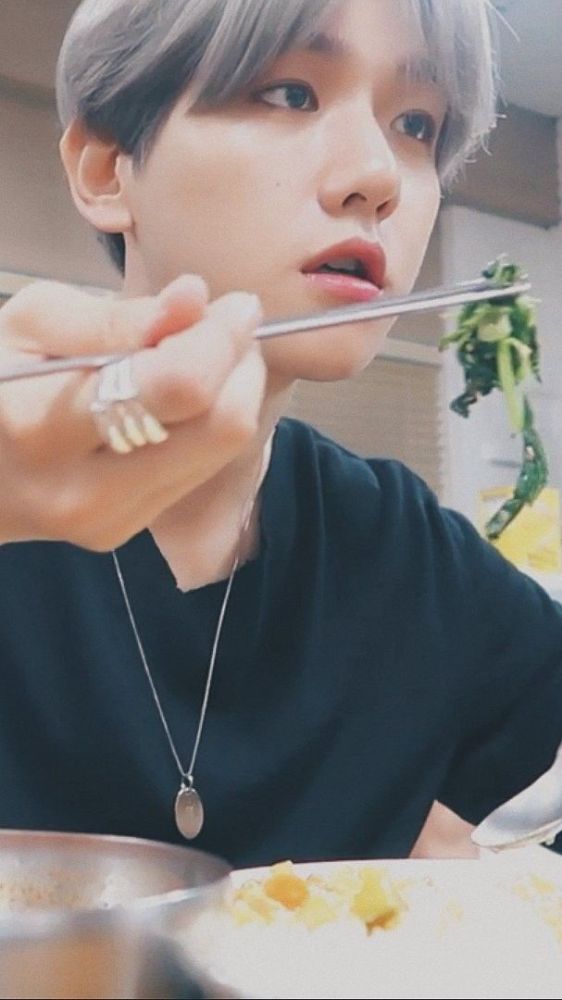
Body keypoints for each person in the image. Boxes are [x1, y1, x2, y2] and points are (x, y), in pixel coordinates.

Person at [0, 0, 560, 867]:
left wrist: (454, 847)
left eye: (417, 124)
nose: (378, 175)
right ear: (107, 170)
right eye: (291, 93)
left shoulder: (402, 546)